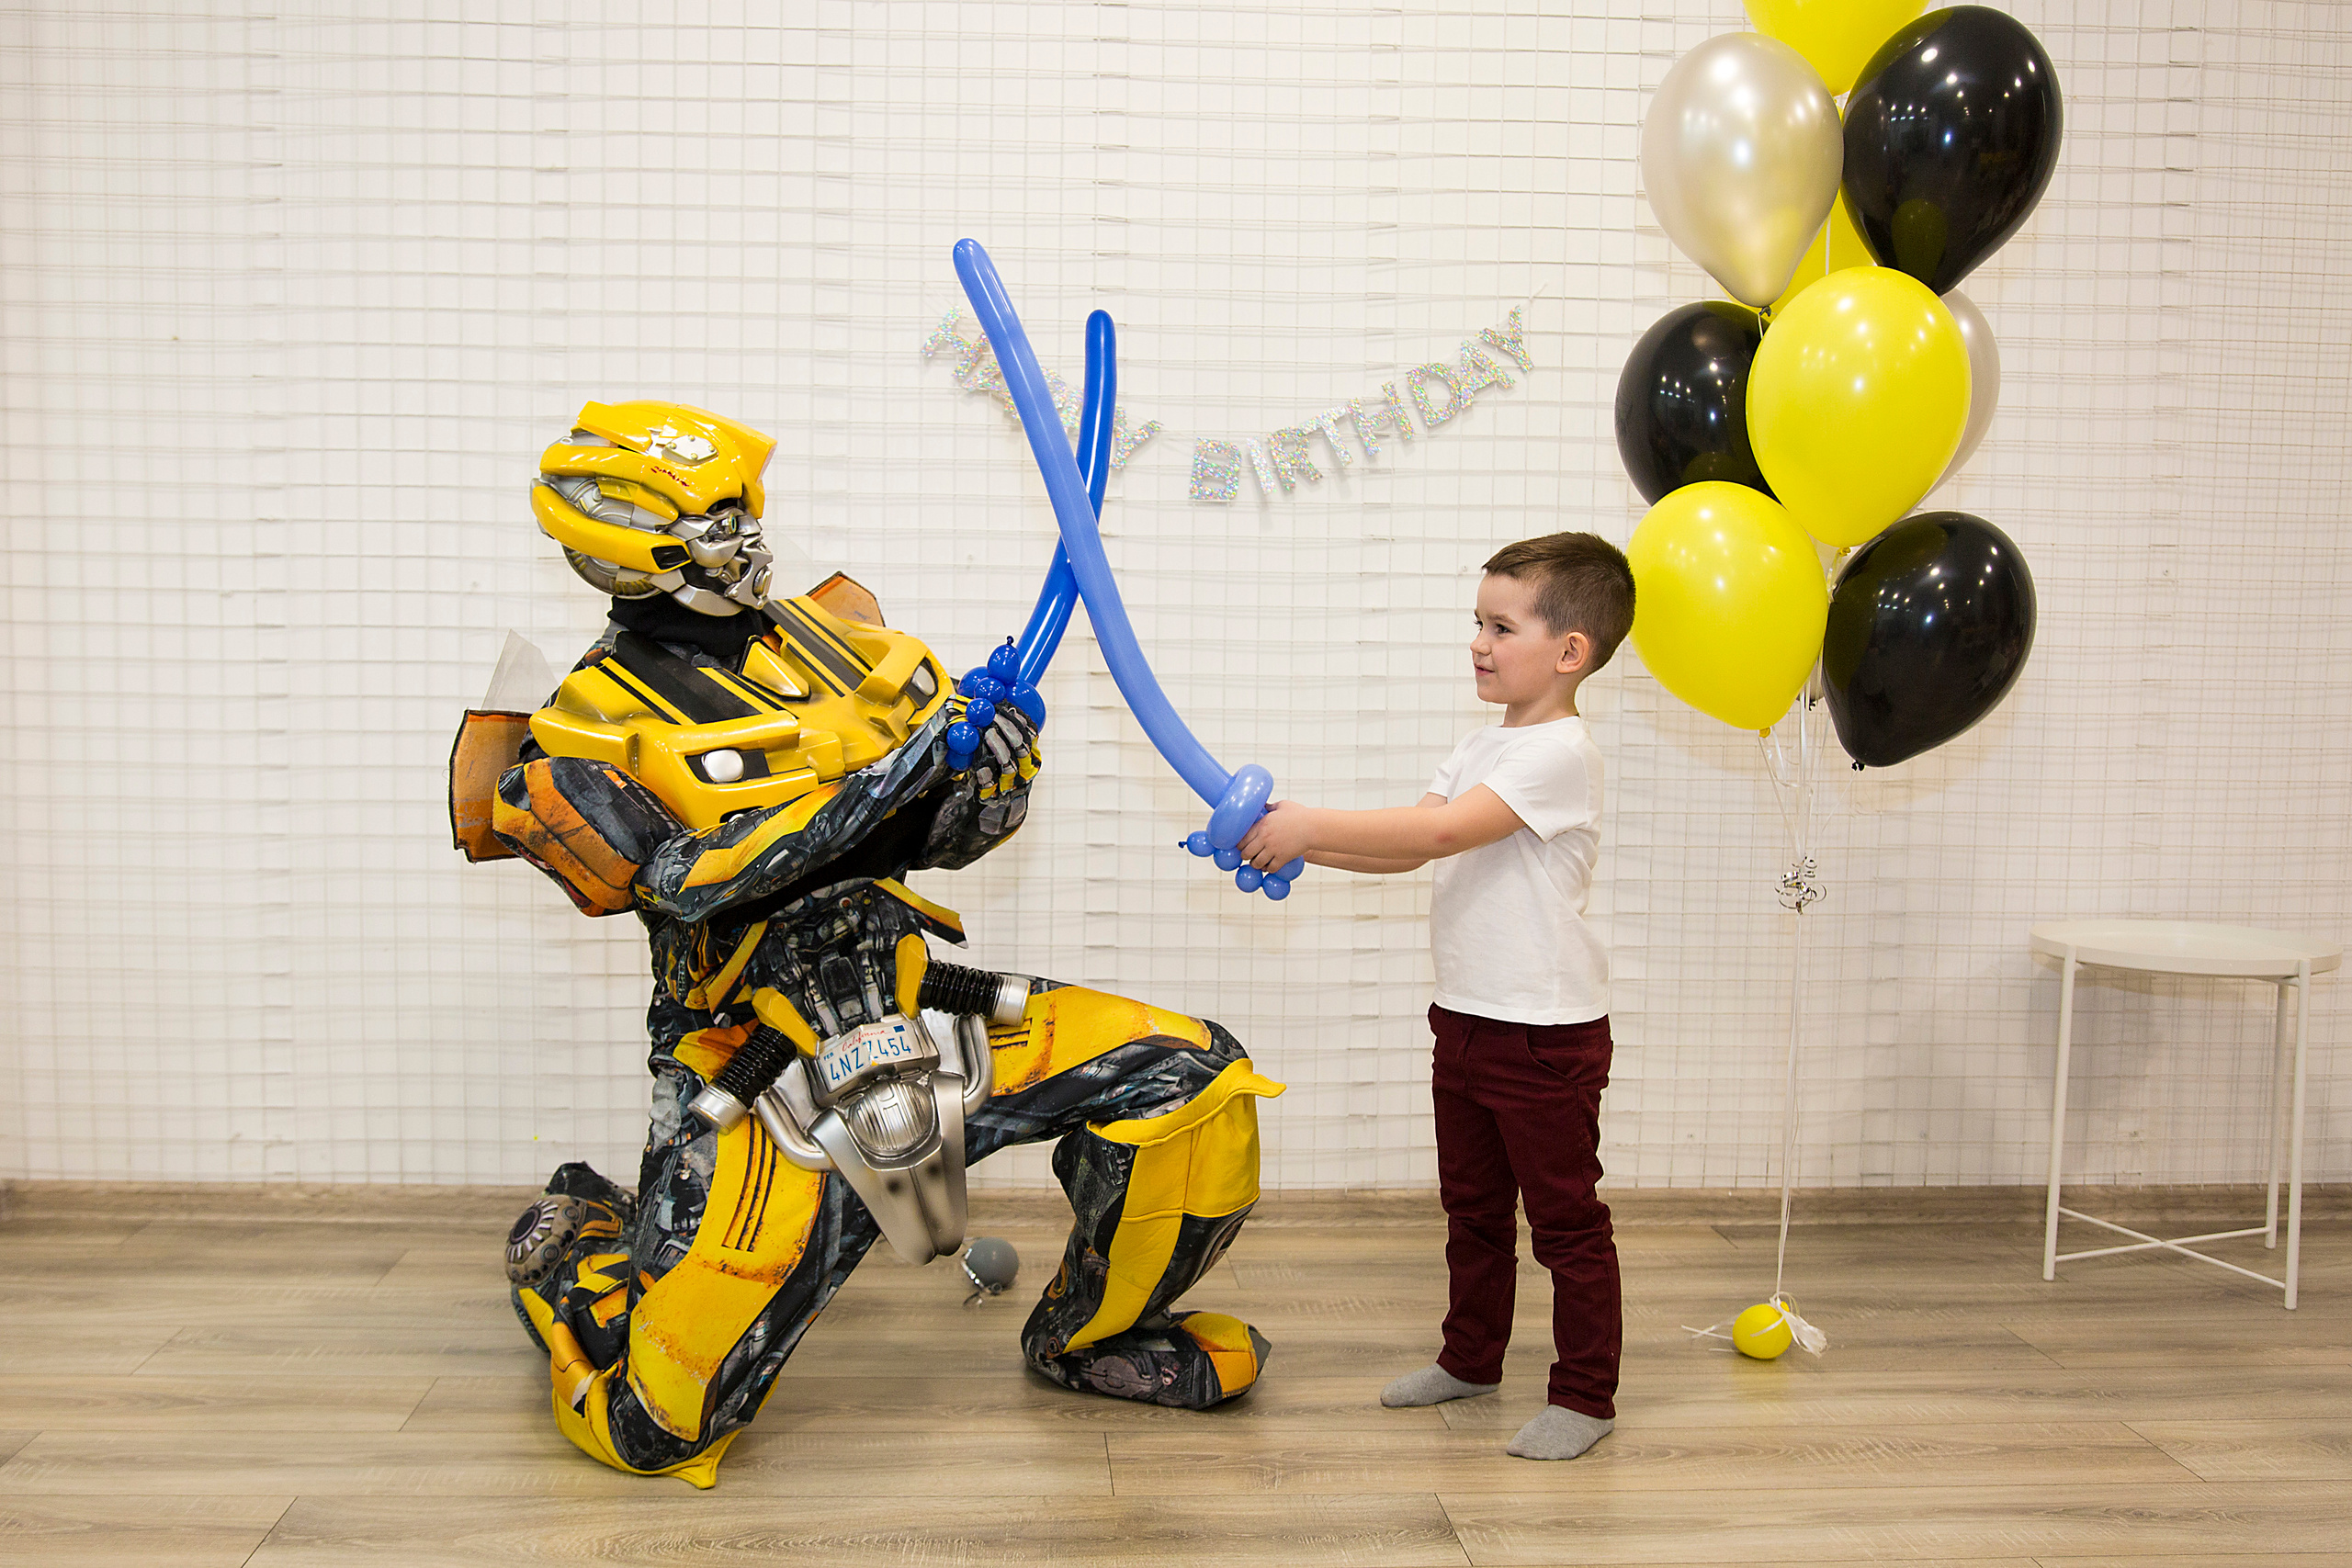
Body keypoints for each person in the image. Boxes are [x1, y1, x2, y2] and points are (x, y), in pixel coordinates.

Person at [455, 400, 1280, 1487]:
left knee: (1191, 1079)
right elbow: (689, 881)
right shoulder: (585, 723)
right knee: (658, 1426)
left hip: (923, 998)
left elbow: (935, 840)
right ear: (628, 547)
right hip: (745, 1055)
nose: (744, 539)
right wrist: (892, 776)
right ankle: (575, 1255)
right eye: (713, 521)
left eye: (744, 510)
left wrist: (986, 781)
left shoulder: (840, 643)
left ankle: (1095, 1338)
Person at [1237, 531, 1634, 1461]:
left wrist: (1306, 824)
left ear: (1569, 651)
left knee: (1566, 1223)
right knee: (1473, 1211)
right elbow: (1415, 838)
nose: (1478, 643)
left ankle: (1585, 1395)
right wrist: (1293, 840)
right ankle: (1471, 1360)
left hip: (1544, 1035)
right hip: (1465, 1020)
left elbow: (1451, 833)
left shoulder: (1561, 753)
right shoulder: (1480, 745)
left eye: (1501, 626)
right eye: (1477, 623)